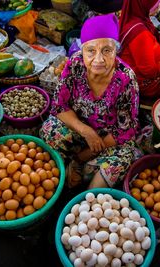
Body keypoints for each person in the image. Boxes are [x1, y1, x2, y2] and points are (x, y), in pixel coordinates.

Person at [40, 14, 141, 189]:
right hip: (79, 130)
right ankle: (65, 172)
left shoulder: (126, 79)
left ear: (116, 50)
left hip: (108, 141)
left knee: (121, 159)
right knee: (50, 130)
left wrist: (82, 157)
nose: (99, 59)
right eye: (91, 50)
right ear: (83, 50)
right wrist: (86, 131)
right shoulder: (75, 64)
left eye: (107, 50)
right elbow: (59, 106)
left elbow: (124, 130)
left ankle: (86, 196)